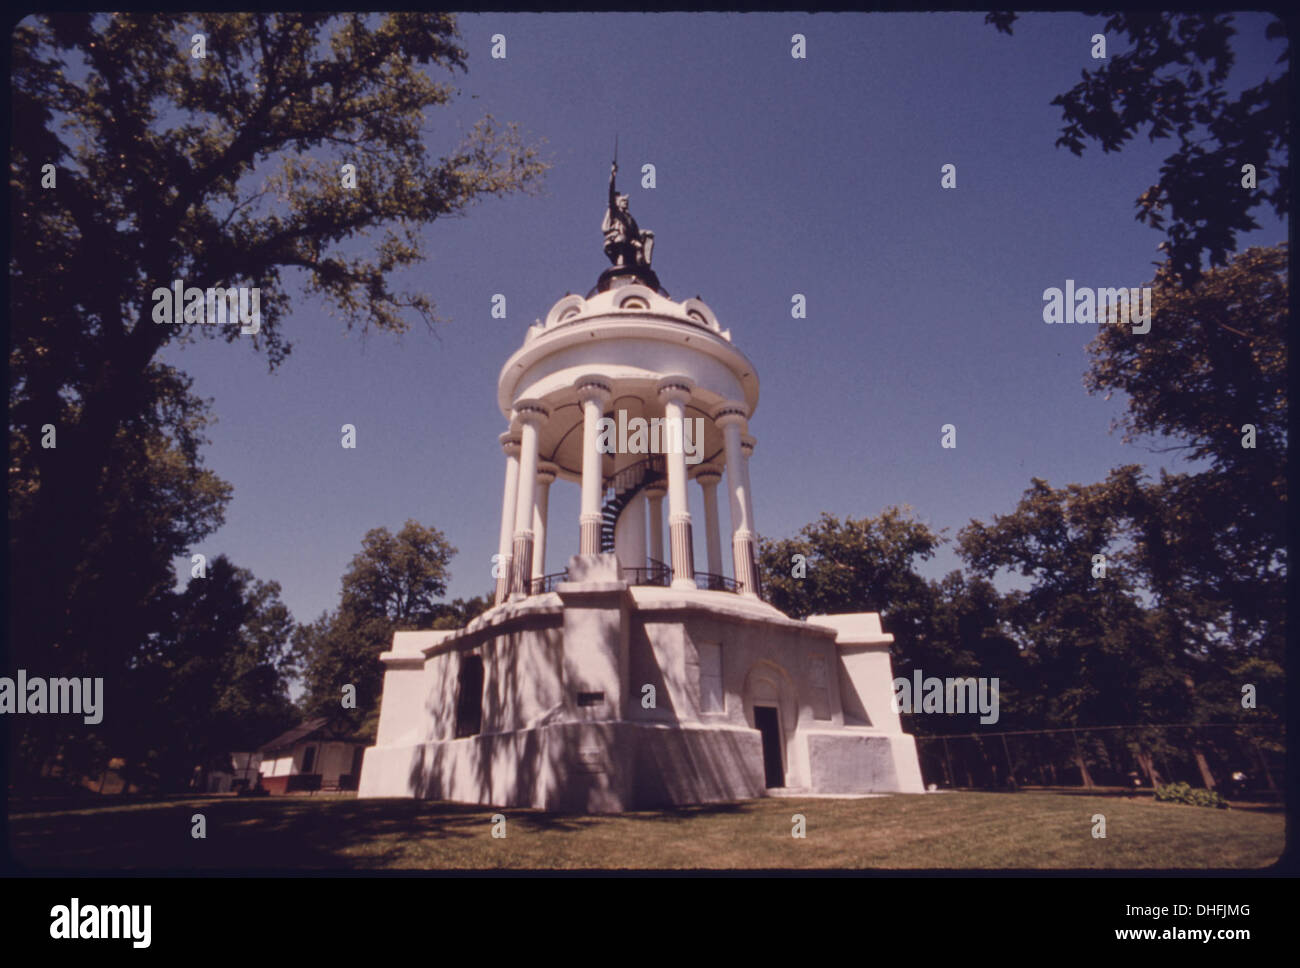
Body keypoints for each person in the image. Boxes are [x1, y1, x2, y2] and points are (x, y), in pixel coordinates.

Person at [603, 161, 654, 268]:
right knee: (624, 243)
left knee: (640, 245)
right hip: (618, 238)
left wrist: (645, 233)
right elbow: (610, 192)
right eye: (623, 201)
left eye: (626, 201)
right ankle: (620, 265)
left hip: (630, 239)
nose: (625, 203)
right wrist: (613, 175)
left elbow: (635, 232)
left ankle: (642, 268)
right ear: (618, 203)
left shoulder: (630, 218)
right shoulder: (615, 213)